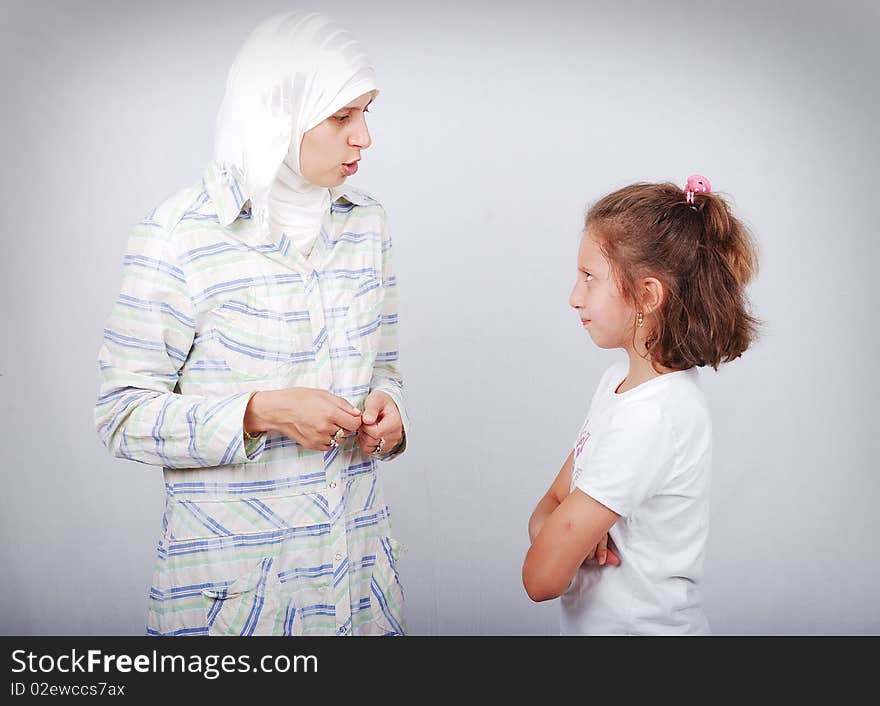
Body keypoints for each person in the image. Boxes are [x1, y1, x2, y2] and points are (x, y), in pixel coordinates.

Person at [94, 11, 410, 636]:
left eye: (367, 112)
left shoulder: (367, 222)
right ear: (278, 113)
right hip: (235, 600)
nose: (364, 138)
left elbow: (385, 366)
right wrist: (259, 412)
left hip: (355, 579)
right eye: (342, 117)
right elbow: (120, 414)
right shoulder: (179, 234)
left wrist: (390, 409)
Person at [522, 176, 758, 635]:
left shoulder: (654, 417)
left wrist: (561, 536)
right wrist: (564, 534)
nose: (574, 296)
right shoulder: (620, 386)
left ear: (648, 296)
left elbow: (541, 577)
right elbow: (547, 506)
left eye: (589, 277)